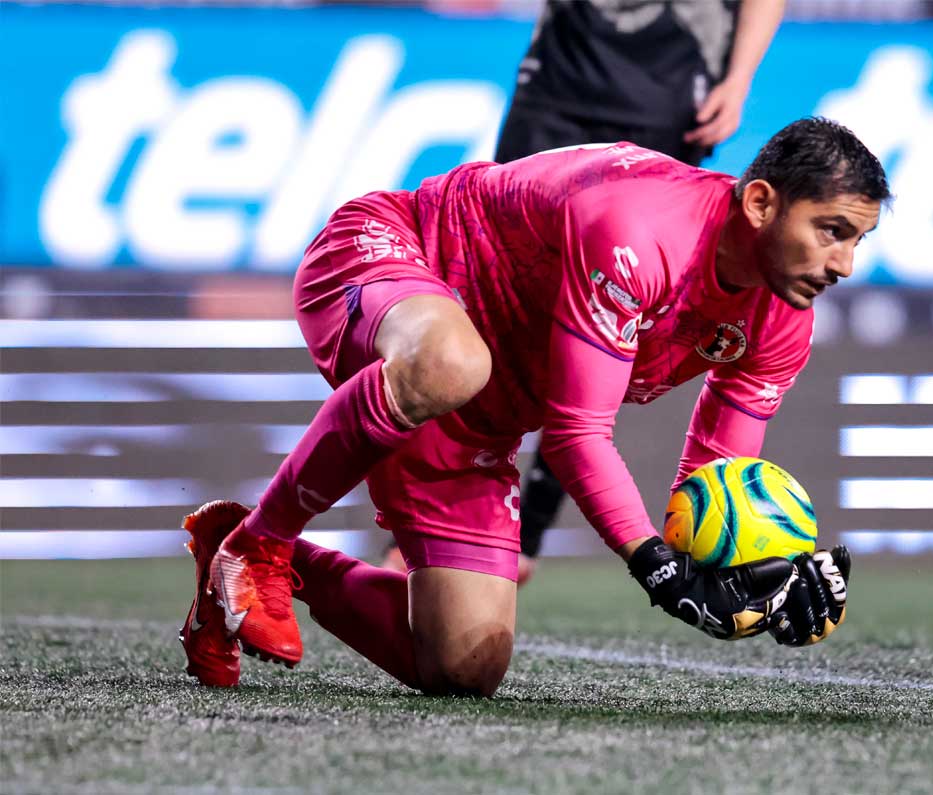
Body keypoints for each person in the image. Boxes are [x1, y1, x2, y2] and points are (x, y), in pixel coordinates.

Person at [179, 117, 890, 696]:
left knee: (463, 665)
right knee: (451, 360)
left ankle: (244, 545)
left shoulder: (783, 317)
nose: (845, 265)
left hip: (481, 406)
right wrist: (656, 569)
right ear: (761, 202)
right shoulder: (640, 230)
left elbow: (714, 487)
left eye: (859, 239)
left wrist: (763, 577)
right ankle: (258, 546)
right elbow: (577, 431)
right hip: (393, 256)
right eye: (831, 230)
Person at [380, 0, 787, 580]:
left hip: (670, 81)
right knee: (495, 292)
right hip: (562, 74)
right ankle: (426, 515)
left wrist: (739, 77)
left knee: (609, 311)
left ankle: (524, 533)